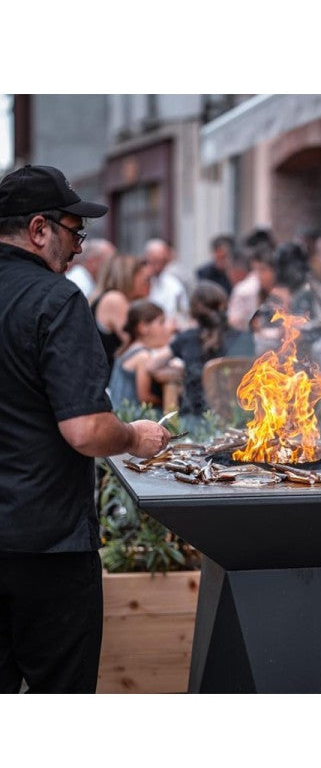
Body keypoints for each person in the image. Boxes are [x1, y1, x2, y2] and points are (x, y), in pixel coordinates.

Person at [0, 164, 171, 694]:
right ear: (38, 229)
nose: (79, 247)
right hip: (44, 548)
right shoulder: (57, 299)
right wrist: (135, 436)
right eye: (76, 231)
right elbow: (86, 431)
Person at [147, 280, 253, 417]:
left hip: (197, 421)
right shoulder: (245, 339)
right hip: (240, 418)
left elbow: (151, 365)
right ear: (225, 306)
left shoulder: (187, 339)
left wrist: (183, 372)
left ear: (194, 311)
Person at [252, 241, 321, 385]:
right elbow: (266, 323)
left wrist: (302, 328)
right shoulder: (276, 292)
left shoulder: (315, 291)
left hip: (312, 348)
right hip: (283, 351)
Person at [89, 253, 155, 372]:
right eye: (145, 279)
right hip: (109, 381)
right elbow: (136, 342)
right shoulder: (115, 299)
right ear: (128, 277)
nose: (149, 284)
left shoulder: (109, 298)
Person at [108, 300, 174, 411]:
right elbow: (144, 398)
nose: (166, 328)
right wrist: (167, 402)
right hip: (131, 417)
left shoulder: (129, 348)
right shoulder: (143, 356)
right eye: (161, 322)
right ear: (143, 327)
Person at [144, 237, 190, 331]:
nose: (158, 265)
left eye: (162, 260)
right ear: (146, 258)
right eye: (154, 260)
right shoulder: (139, 281)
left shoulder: (173, 284)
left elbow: (181, 313)